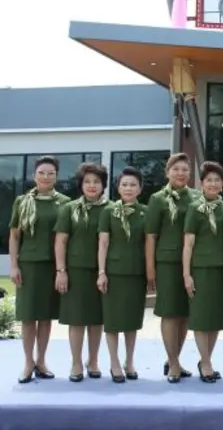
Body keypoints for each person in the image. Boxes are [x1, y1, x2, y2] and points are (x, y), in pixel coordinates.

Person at [9, 155, 70, 383]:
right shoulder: (22, 201)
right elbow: (15, 236)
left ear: (57, 176)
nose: (45, 177)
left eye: (50, 173)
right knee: (28, 317)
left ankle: (41, 361)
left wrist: (62, 270)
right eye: (41, 172)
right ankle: (28, 363)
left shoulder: (65, 203)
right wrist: (13, 265)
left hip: (52, 267)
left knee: (45, 317)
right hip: (28, 266)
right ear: (34, 175)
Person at [145, 152, 200, 382]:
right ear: (167, 172)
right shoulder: (157, 199)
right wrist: (150, 269)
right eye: (176, 169)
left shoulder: (197, 197)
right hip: (167, 262)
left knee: (185, 313)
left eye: (185, 169)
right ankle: (174, 363)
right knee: (169, 312)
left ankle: (174, 359)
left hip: (193, 263)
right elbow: (151, 236)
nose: (181, 173)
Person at [54, 162, 109, 382]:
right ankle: (76, 362)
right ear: (80, 184)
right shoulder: (69, 209)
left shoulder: (111, 209)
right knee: (76, 319)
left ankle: (93, 360)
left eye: (96, 181)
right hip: (75, 271)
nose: (92, 185)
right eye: (87, 181)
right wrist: (61, 270)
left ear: (103, 185)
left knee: (97, 319)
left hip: (103, 272)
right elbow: (60, 241)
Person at [97, 166, 148, 383]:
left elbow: (149, 244)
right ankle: (114, 362)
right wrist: (101, 272)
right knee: (113, 320)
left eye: (133, 185)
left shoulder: (146, 212)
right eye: (124, 184)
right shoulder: (108, 211)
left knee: (131, 320)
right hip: (114, 272)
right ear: (118, 188)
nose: (128, 188)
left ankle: (130, 361)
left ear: (140, 189)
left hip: (137, 272)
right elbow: (103, 243)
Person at [183, 161, 223, 384]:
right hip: (200, 269)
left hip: (221, 269)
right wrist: (187, 274)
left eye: (217, 180)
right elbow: (188, 244)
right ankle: (205, 362)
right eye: (208, 180)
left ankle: (206, 360)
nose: (213, 184)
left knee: (215, 318)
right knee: (201, 317)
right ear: (201, 183)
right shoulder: (194, 208)